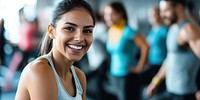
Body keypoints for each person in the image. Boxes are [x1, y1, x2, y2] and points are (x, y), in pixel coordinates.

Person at [15, 0, 95, 100]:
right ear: (51, 31)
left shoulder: (79, 76)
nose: (79, 38)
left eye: (87, 31)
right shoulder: (40, 70)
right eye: (69, 28)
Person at [146, 0, 200, 100]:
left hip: (185, 95)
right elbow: (169, 59)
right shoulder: (173, 28)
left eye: (166, 11)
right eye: (161, 11)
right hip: (170, 92)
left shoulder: (188, 29)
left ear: (179, 7)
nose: (162, 15)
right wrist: (155, 82)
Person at [103, 1, 149, 100]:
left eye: (112, 14)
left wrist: (140, 67)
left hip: (128, 76)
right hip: (114, 75)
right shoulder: (111, 30)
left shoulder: (128, 30)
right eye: (106, 14)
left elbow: (145, 46)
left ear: (120, 14)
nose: (108, 17)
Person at [140, 6, 168, 99]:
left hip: (161, 65)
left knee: (159, 91)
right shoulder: (152, 30)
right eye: (151, 15)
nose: (154, 17)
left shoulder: (165, 30)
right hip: (152, 64)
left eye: (156, 14)